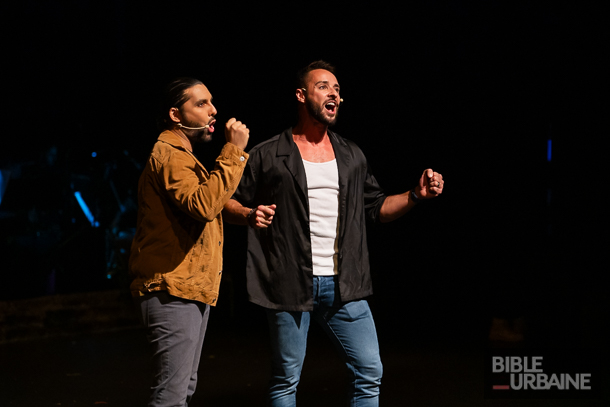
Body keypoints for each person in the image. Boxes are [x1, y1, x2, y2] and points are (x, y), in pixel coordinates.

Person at [223, 61, 444, 406]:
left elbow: (378, 208)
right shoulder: (268, 154)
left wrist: (415, 195)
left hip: (345, 283)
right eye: (324, 87)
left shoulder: (351, 155)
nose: (334, 95)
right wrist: (250, 214)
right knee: (286, 380)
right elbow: (225, 202)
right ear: (301, 95)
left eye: (338, 90)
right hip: (290, 281)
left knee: (369, 370)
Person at [129, 77, 250, 406]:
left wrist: (247, 215)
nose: (213, 111)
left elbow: (208, 200)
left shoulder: (183, 156)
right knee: (171, 395)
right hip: (171, 289)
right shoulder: (171, 155)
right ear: (175, 115)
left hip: (187, 287)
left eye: (211, 102)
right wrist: (234, 151)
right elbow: (203, 206)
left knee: (182, 390)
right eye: (201, 104)